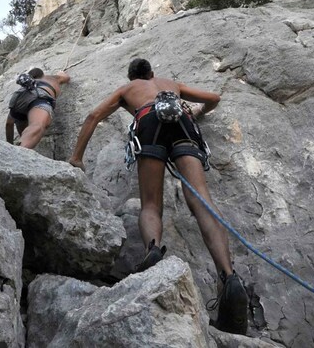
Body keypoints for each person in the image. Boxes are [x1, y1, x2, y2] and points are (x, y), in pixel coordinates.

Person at [68, 58, 249, 335]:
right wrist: (198, 112)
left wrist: (77, 157)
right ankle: (228, 276)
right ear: (152, 73)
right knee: (201, 199)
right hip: (182, 121)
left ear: (132, 78)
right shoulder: (170, 84)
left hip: (149, 122)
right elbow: (214, 97)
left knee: (151, 204)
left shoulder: (127, 90)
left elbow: (93, 116)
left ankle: (153, 250)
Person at [6, 67, 70, 149]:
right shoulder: (49, 78)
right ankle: (19, 151)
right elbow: (66, 78)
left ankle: (14, 148)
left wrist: (8, 145)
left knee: (26, 131)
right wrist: (61, 73)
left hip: (18, 100)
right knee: (37, 125)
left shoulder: (24, 88)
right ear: (42, 75)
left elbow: (9, 124)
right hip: (39, 97)